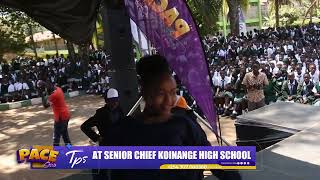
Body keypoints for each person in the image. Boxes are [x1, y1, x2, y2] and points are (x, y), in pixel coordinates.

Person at [103, 54, 241, 180]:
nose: (169, 100)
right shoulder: (122, 132)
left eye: (173, 92)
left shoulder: (185, 125)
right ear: (144, 92)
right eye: (161, 93)